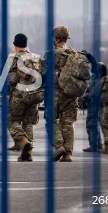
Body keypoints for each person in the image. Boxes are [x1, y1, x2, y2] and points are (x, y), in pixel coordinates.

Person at [41, 25, 81, 162]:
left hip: (55, 94)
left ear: (56, 38)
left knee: (51, 121)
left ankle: (59, 146)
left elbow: (42, 74)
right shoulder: (75, 55)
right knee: (68, 122)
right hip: (71, 94)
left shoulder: (50, 55)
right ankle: (68, 154)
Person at [8, 33, 41, 162]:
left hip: (19, 94)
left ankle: (23, 141)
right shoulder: (35, 58)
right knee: (28, 123)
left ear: (15, 45)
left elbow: (10, 80)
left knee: (12, 121)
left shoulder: (14, 58)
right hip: (34, 95)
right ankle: (28, 154)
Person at [82, 62, 106, 152]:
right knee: (92, 125)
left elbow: (94, 93)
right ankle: (95, 145)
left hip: (97, 106)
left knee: (93, 125)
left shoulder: (100, 80)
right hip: (92, 105)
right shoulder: (94, 78)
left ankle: (96, 146)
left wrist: (85, 95)